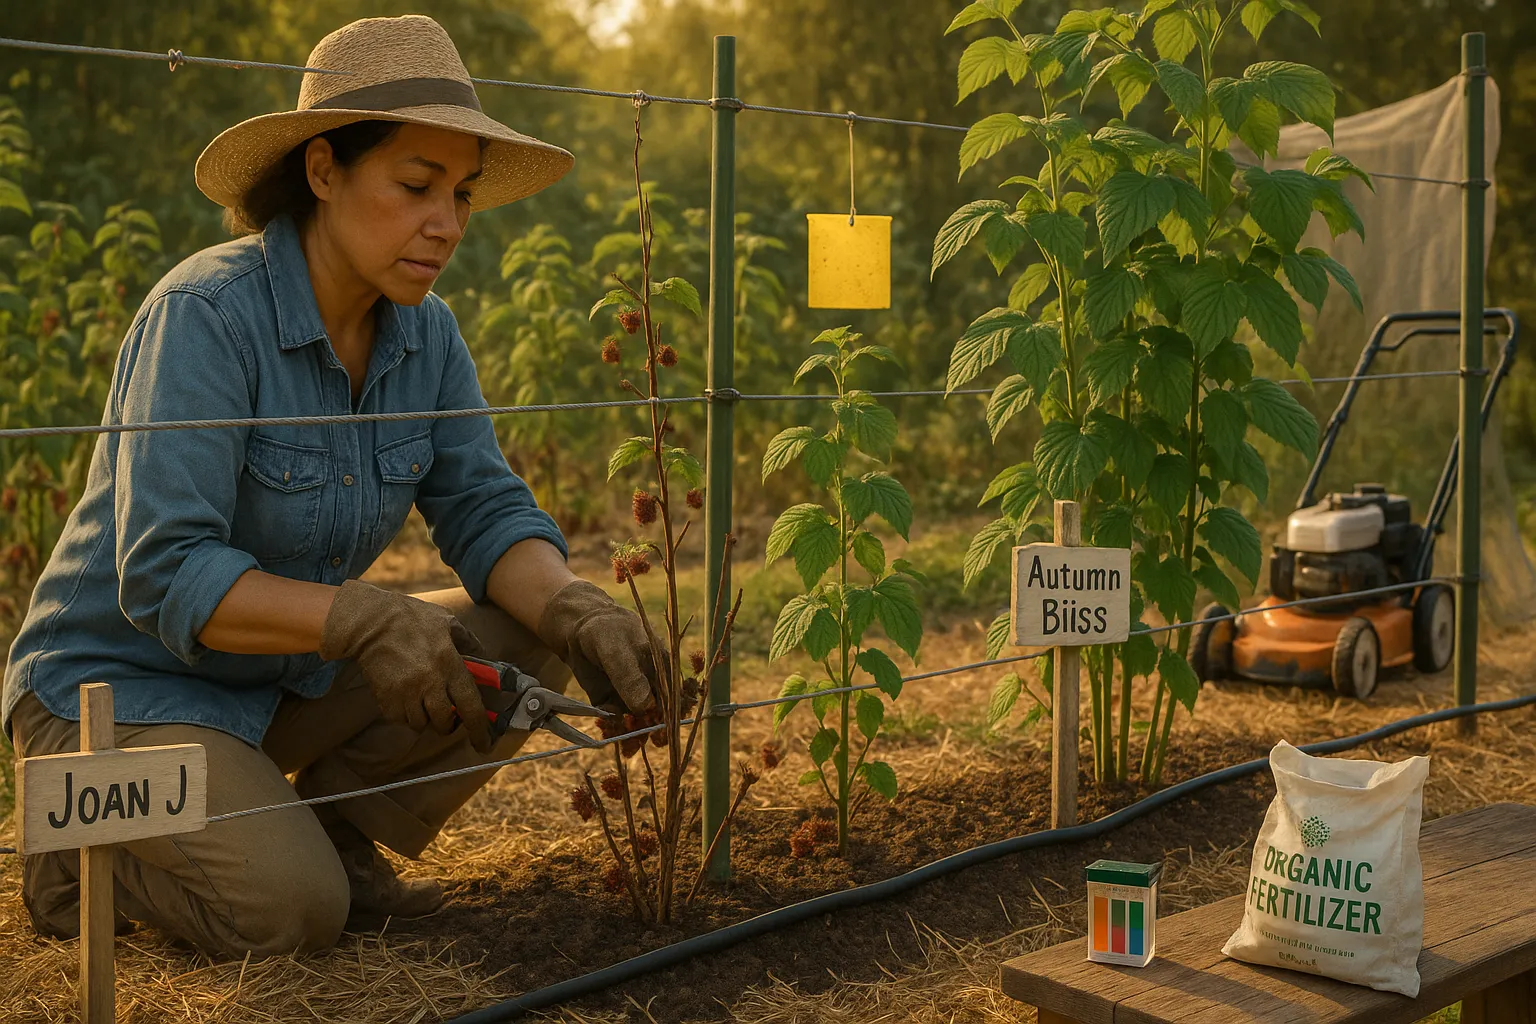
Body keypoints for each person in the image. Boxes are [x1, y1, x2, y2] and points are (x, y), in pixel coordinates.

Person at [2, 15, 661, 957]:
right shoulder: (206, 316)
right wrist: (360, 619)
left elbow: (483, 508)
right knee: (292, 912)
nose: (447, 222)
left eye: (463, 195)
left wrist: (581, 608)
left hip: (270, 697)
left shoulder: (425, 334)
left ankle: (341, 834)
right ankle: (80, 850)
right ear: (322, 171)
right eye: (416, 185)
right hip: (116, 700)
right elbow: (164, 573)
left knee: (523, 623)